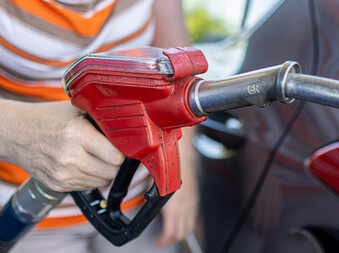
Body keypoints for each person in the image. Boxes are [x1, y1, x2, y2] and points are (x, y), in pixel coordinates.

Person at [0, 0, 199, 252]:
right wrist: (15, 130)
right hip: (27, 215)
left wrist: (181, 170)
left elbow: (174, 50)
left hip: (138, 204)